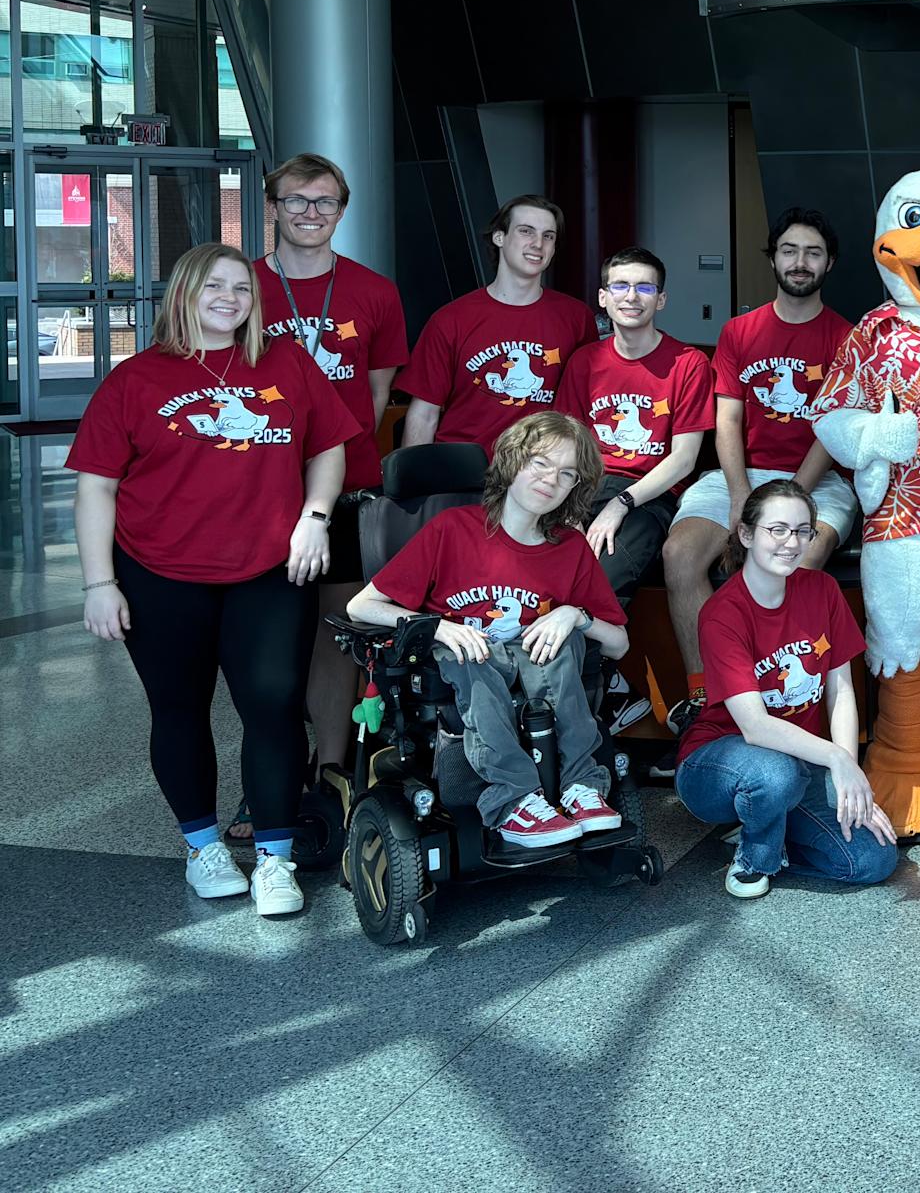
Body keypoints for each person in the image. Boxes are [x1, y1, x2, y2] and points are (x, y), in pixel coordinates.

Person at [70, 244, 357, 918]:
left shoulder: (286, 364)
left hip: (269, 568)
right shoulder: (137, 379)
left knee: (275, 706)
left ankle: (276, 860)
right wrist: (98, 583)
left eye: (242, 288)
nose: (230, 298)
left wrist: (315, 520)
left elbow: (328, 448)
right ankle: (203, 848)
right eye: (214, 286)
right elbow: (95, 489)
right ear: (184, 293)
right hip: (158, 571)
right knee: (178, 709)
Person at [346, 413, 630, 850]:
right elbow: (360, 605)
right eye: (540, 463)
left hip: (535, 666)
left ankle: (581, 789)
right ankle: (514, 800)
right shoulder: (452, 530)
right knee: (466, 653)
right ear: (513, 461)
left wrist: (575, 615)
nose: (550, 480)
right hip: (465, 660)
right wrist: (438, 626)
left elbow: (619, 642)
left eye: (566, 473)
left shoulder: (570, 548)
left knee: (562, 642)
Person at [251, 152, 412, 803]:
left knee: (335, 629)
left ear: (342, 212)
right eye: (297, 200)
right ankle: (270, 774)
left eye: (325, 203)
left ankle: (331, 772)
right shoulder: (244, 287)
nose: (311, 214)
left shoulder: (374, 291)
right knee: (266, 643)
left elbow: (375, 397)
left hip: (349, 490)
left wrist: (333, 457)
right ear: (272, 207)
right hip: (260, 491)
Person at [662, 208, 856, 709]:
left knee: (800, 556)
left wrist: (789, 500)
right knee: (679, 556)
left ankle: (784, 702)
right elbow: (727, 421)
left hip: (819, 479)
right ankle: (709, 698)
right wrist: (741, 495)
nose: (800, 262)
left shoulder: (846, 338)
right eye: (789, 250)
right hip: (741, 476)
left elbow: (833, 432)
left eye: (813, 253)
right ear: (773, 259)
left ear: (829, 263)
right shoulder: (739, 332)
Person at [675, 479, 900, 899]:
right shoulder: (722, 613)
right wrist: (834, 757)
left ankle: (770, 822)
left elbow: (842, 693)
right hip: (719, 761)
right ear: (746, 534)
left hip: (800, 760)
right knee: (775, 774)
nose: (791, 543)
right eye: (777, 529)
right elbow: (756, 728)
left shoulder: (822, 589)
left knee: (873, 860)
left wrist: (846, 770)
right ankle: (756, 854)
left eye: (802, 531)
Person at [557, 247, 712, 599]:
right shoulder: (585, 362)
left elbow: (684, 459)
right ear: (603, 297)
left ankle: (591, 650)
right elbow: (566, 447)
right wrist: (568, 510)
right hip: (583, 488)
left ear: (660, 300)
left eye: (644, 288)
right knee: (547, 570)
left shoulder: (689, 363)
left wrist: (621, 503)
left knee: (605, 580)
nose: (631, 296)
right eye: (620, 286)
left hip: (650, 495)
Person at [396, 194, 592, 456]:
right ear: (499, 238)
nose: (537, 244)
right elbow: (424, 413)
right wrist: (413, 484)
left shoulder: (576, 318)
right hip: (462, 472)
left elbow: (587, 408)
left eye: (548, 236)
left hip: (539, 474)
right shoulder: (450, 319)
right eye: (526, 231)